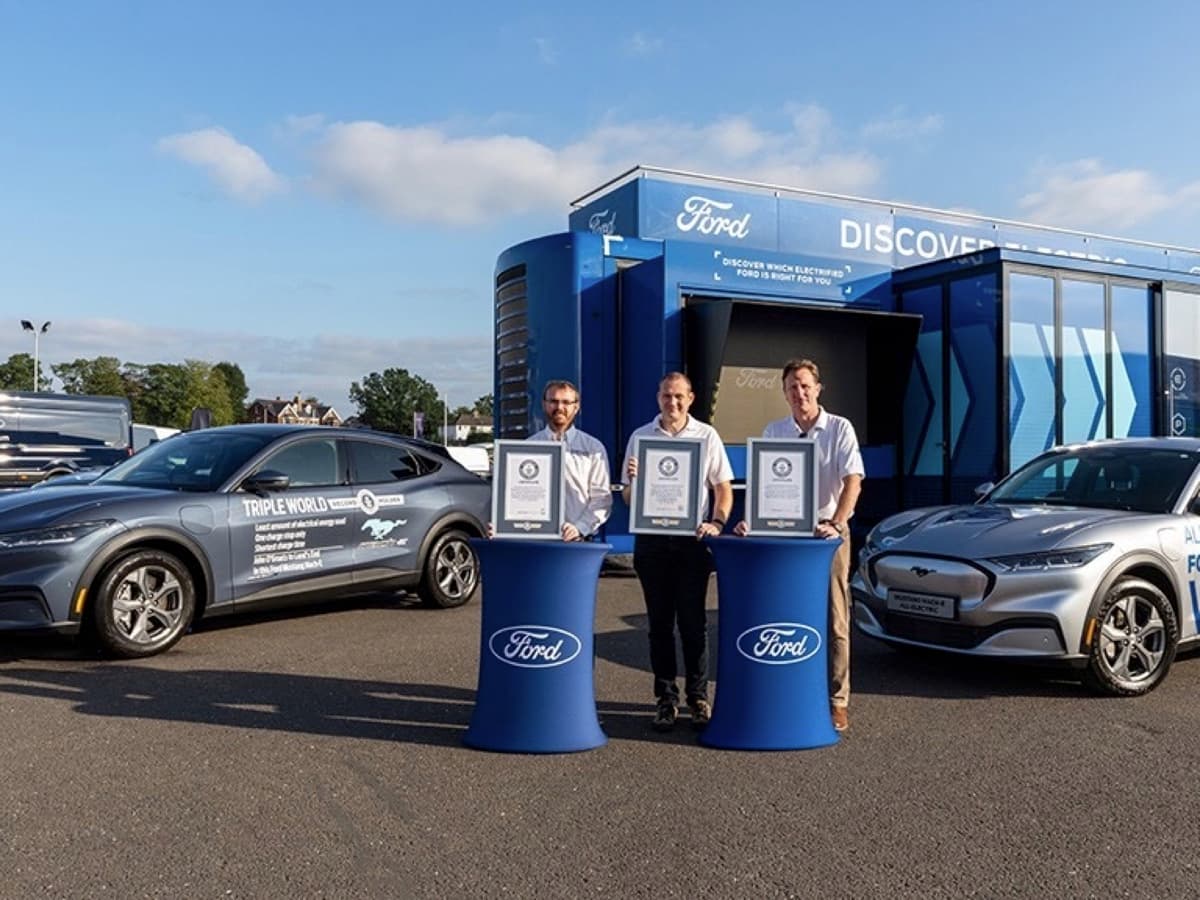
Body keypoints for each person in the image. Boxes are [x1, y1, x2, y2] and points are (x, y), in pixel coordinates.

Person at [735, 358, 863, 732]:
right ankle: (790, 693)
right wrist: (752, 521)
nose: (799, 392)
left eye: (805, 385)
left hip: (827, 537)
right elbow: (763, 485)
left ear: (818, 389)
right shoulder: (774, 431)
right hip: (786, 537)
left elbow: (853, 481)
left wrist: (836, 523)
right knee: (786, 616)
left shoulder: (839, 428)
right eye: (792, 386)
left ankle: (837, 701)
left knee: (835, 618)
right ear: (784, 392)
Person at [621, 372, 733, 731]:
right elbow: (628, 498)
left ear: (691, 398)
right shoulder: (641, 437)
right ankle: (665, 699)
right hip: (652, 541)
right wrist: (634, 481)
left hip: (691, 542)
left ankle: (698, 697)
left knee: (693, 624)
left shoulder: (707, 435)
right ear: (658, 397)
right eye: (667, 396)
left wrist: (717, 522)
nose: (673, 402)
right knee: (659, 625)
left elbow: (723, 488)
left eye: (679, 396)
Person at [528, 380, 612, 541]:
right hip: (537, 539)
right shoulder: (528, 447)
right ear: (544, 404)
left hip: (578, 540)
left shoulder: (593, 448)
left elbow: (602, 499)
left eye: (566, 402)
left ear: (576, 407)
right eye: (553, 401)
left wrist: (580, 527)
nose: (559, 407)